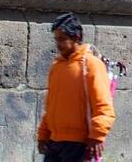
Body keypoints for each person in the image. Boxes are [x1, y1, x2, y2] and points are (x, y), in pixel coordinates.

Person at [38, 13, 116, 162]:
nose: (58, 44)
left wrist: (97, 135)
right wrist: (43, 134)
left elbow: (103, 106)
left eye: (62, 39)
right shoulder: (56, 67)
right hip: (54, 142)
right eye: (56, 39)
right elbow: (51, 106)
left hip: (78, 144)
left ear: (76, 37)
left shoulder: (91, 65)